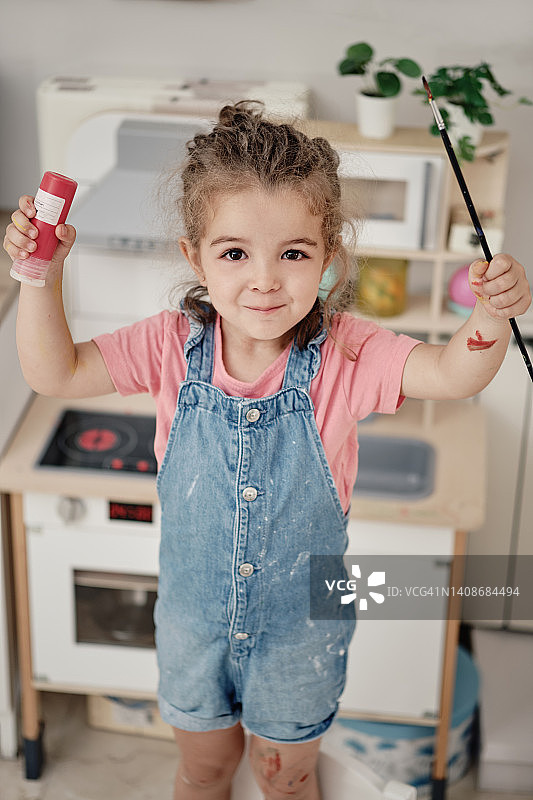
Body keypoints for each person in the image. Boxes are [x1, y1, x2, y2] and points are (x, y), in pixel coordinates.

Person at [3, 101, 531, 800]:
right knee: (203, 771)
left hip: (300, 632)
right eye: (233, 253)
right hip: (192, 625)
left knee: (286, 781)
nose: (263, 279)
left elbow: (452, 372)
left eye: (292, 253)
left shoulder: (349, 352)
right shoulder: (168, 344)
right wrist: (38, 277)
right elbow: (55, 372)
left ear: (328, 258)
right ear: (193, 256)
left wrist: (492, 311)